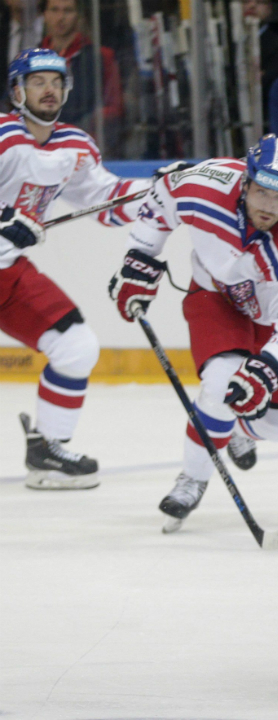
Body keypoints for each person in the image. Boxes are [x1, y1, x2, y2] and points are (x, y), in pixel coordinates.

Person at [107, 135, 278, 526]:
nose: (269, 207)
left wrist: (267, 368)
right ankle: (192, 479)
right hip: (214, 296)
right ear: (246, 182)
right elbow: (159, 202)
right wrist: (139, 259)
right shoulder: (202, 185)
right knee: (221, 382)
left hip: (274, 323)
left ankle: (237, 428)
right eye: (262, 193)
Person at [1, 48, 149, 490]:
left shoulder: (75, 145)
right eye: (37, 81)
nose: (49, 90)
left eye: (56, 82)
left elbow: (106, 203)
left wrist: (161, 187)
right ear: (17, 91)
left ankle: (48, 448)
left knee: (76, 345)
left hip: (7, 271)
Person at [38, 0, 122, 146]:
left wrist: (91, 122)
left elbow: (115, 106)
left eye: (68, 11)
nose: (60, 17)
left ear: (79, 16)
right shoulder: (32, 58)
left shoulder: (102, 56)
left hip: (84, 145)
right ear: (45, 15)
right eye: (54, 10)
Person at [243, 0, 278, 121]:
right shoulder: (227, 44)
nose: (251, 5)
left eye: (259, 2)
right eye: (246, 1)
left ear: (269, 8)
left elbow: (267, 84)